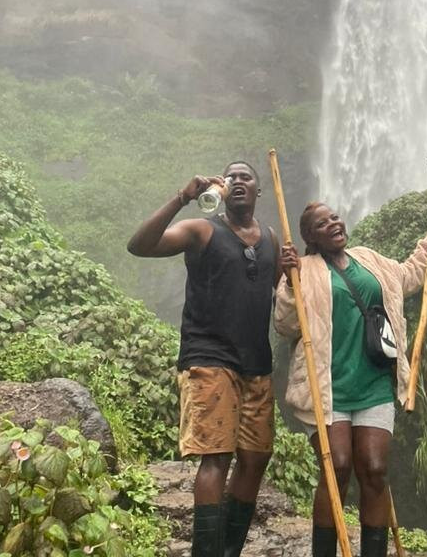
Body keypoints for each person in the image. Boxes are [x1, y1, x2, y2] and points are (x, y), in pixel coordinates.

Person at [127, 162, 280, 557]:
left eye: (247, 176)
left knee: (256, 457)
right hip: (209, 356)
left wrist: (292, 267)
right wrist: (183, 197)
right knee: (217, 457)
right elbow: (140, 245)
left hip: (256, 364)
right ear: (222, 190)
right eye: (231, 177)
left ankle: (227, 551)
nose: (238, 181)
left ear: (259, 191)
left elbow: (277, 291)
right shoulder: (202, 230)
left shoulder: (273, 240)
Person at [275, 202, 427, 557]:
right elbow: (285, 326)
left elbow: (408, 275)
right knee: (337, 467)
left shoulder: (369, 260)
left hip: (373, 383)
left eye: (334, 218)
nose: (333, 224)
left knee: (375, 470)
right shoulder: (305, 269)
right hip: (327, 387)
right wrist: (288, 280)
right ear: (310, 236)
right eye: (322, 223)